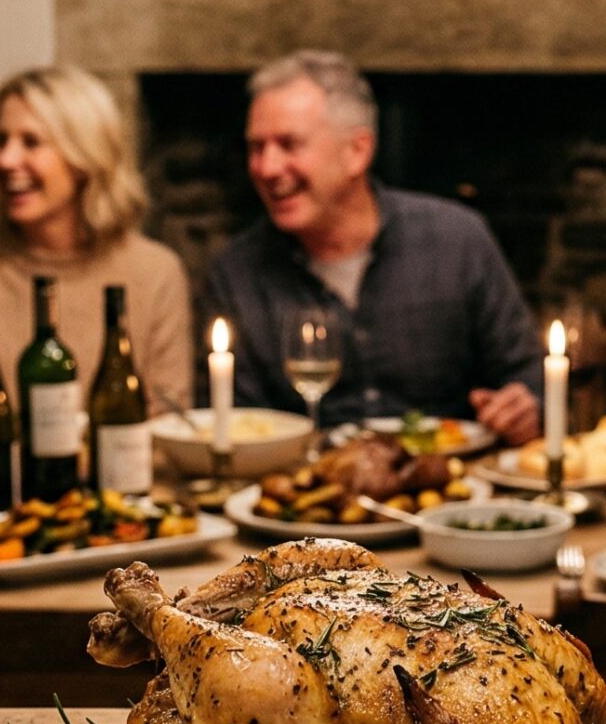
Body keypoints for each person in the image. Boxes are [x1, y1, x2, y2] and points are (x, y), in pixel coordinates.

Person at [201, 50, 543, 442]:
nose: (266, 168)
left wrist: (523, 407)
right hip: (310, 490)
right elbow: (239, 425)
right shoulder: (236, 274)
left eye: (288, 144)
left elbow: (529, 377)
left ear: (357, 152)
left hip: (450, 484)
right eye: (256, 148)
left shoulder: (458, 240)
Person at [0, 67, 193, 411]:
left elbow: (169, 422)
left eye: (31, 142)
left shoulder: (155, 273)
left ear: (86, 158)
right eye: (0, 141)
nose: (4, 159)